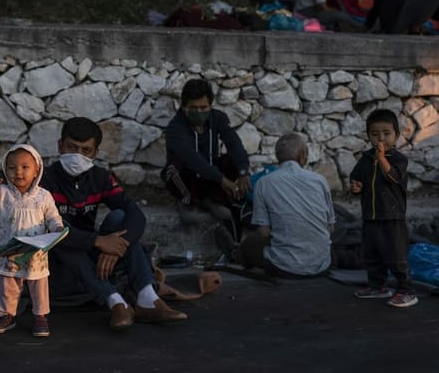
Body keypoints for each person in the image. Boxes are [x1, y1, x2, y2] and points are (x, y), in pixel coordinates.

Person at [40, 117, 187, 331]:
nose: (78, 155)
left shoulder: (101, 177)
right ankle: (115, 301)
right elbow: (48, 230)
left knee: (119, 217)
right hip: (60, 260)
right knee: (59, 234)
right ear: (59, 146)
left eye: (86, 150)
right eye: (72, 147)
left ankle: (148, 297)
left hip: (91, 251)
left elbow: (136, 214)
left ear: (95, 153)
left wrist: (118, 247)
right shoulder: (44, 180)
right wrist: (99, 241)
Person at [0, 144, 64, 337]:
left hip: (35, 252)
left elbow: (53, 216)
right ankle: (6, 315)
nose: (18, 172)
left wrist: (57, 227)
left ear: (36, 171)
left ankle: (40, 316)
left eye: (25, 167)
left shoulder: (43, 196)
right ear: (5, 170)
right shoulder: (2, 192)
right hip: (11, 251)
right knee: (8, 284)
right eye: (12, 167)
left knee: (38, 285)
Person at [230, 133, 335, 278]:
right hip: (322, 266)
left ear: (278, 157)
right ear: (303, 155)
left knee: (249, 245)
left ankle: (235, 253)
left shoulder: (264, 183)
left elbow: (264, 233)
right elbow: (330, 228)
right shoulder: (320, 180)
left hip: (283, 268)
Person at [349, 109, 418, 307]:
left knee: (396, 255)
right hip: (370, 215)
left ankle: (406, 290)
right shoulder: (365, 159)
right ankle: (377, 287)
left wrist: (382, 159)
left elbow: (393, 176)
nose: (381, 138)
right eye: (374, 134)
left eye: (386, 133)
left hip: (392, 217)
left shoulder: (398, 159)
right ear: (368, 135)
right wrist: (355, 186)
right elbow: (357, 178)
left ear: (396, 134)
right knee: (372, 254)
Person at [162, 78, 251, 226]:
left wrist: (243, 171)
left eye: (203, 108)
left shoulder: (218, 118)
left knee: (232, 161)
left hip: (210, 177)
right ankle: (187, 202)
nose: (199, 112)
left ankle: (212, 199)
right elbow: (191, 159)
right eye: (193, 107)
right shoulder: (175, 128)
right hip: (188, 177)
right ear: (184, 107)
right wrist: (222, 179)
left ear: (210, 105)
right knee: (174, 168)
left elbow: (233, 142)